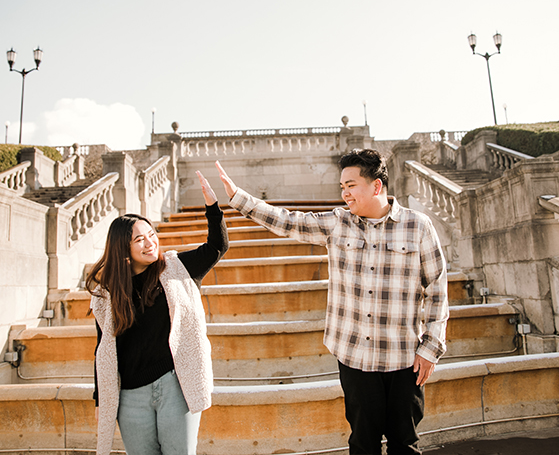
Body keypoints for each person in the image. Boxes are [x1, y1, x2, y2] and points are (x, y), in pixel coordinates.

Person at [215, 149, 448, 455]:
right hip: (355, 358)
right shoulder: (339, 223)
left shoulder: (418, 225)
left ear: (376, 186)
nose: (344, 193)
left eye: (351, 185)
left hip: (404, 360)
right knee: (362, 444)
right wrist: (238, 198)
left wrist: (431, 348)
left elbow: (437, 288)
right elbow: (288, 222)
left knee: (405, 445)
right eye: (342, 187)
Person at [87, 171, 228, 455]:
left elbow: (217, 246)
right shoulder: (107, 294)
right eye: (139, 239)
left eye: (151, 235)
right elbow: (104, 349)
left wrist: (213, 207)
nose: (150, 242)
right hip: (130, 397)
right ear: (123, 248)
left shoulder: (177, 268)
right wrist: (101, 398)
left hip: (175, 385)